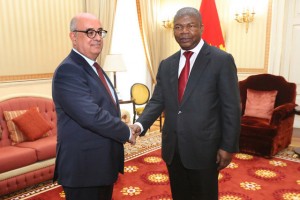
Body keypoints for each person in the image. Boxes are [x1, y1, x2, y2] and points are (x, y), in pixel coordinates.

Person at [131, 7, 241, 200]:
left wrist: (228, 146)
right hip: (174, 149)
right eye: (179, 27)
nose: (184, 32)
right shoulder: (167, 64)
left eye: (190, 26)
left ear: (202, 27)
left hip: (205, 149)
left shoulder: (221, 60)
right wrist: (140, 125)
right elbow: (158, 100)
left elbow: (231, 107)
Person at [52, 13, 136, 200]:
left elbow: (106, 108)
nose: (98, 37)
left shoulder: (94, 67)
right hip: (84, 169)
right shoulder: (69, 70)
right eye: (90, 32)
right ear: (73, 37)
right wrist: (126, 131)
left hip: (101, 166)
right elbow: (92, 115)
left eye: (100, 32)